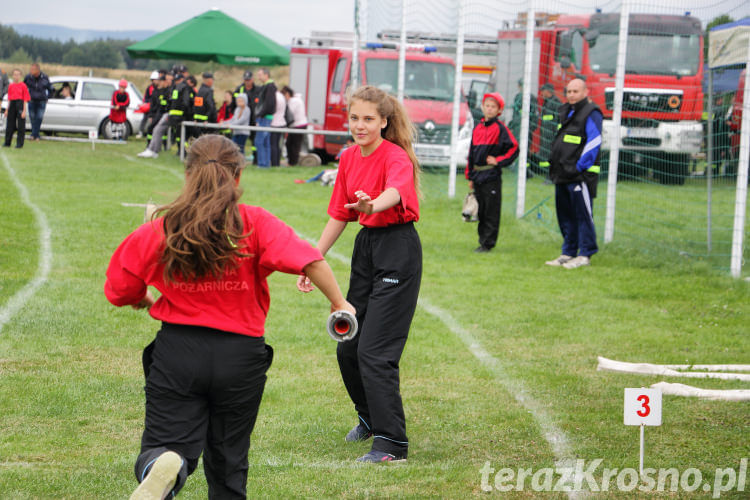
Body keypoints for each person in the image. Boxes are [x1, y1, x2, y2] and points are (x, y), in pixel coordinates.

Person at [104, 134, 354, 499]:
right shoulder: (254, 222)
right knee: (229, 459)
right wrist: (338, 303)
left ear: (188, 175)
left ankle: (164, 461)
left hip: (179, 352)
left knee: (164, 445)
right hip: (241, 358)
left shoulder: (164, 227)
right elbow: (311, 260)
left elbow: (118, 286)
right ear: (237, 178)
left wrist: (141, 297)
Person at [297, 85, 422, 463]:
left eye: (369, 119)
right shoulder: (349, 157)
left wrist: (374, 202)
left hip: (398, 248)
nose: (360, 125)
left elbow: (397, 192)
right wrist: (311, 259)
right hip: (367, 250)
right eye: (355, 118)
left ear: (384, 121)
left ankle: (392, 445)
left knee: (375, 351)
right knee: (349, 343)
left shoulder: (395, 156)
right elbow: (339, 213)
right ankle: (370, 418)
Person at [545, 78, 602, 269]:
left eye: (575, 91)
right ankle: (568, 252)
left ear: (585, 92)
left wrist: (579, 167)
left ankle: (585, 254)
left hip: (579, 175)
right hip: (561, 174)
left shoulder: (591, 113)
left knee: (583, 215)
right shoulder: (565, 111)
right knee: (565, 216)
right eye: (569, 91)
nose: (571, 95)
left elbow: (594, 142)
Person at [465, 92, 519, 253]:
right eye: (487, 105)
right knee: (480, 209)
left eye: (493, 107)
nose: (489, 109)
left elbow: (514, 147)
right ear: (482, 107)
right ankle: (482, 241)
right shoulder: (478, 128)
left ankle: (488, 243)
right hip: (478, 175)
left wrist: (499, 160)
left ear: (499, 110)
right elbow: (472, 153)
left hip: (491, 176)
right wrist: (470, 175)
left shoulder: (500, 128)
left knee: (491, 210)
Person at [253, 68, 277, 167]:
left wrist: (260, 114)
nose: (258, 77)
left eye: (260, 74)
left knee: (259, 141)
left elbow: (269, 104)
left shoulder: (269, 86)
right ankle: (265, 164)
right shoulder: (268, 86)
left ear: (266, 75)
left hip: (264, 118)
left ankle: (262, 164)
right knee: (265, 142)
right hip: (266, 117)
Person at [23, 63, 53, 141]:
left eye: (32, 70)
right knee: (32, 118)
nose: (31, 71)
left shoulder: (45, 77)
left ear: (37, 70)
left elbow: (51, 88)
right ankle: (36, 135)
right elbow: (24, 87)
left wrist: (47, 97)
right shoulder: (28, 77)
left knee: (39, 117)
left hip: (41, 101)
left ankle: (34, 135)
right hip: (31, 100)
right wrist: (25, 96)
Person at [536, 82, 561, 176]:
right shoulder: (547, 102)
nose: (541, 93)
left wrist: (556, 132)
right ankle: (546, 173)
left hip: (551, 134)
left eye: (542, 91)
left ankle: (550, 175)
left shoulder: (555, 102)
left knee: (551, 155)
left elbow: (559, 118)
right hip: (546, 134)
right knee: (545, 155)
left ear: (547, 91)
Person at [281, 86, 308, 166]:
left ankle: (293, 162)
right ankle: (291, 161)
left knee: (295, 145)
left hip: (299, 125)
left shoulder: (294, 101)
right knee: (289, 144)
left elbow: (289, 113)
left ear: (287, 94)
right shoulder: (295, 100)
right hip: (296, 125)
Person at [3, 69, 30, 149]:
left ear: (20, 76)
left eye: (18, 74)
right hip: (12, 104)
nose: (16, 76)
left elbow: (25, 99)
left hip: (20, 103)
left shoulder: (23, 86)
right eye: (14, 74)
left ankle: (19, 144)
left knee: (21, 125)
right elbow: (9, 99)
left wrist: (24, 111)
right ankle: (7, 142)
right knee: (10, 124)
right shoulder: (11, 86)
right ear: (12, 76)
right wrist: (7, 110)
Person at [192, 72, 217, 137]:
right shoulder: (209, 91)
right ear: (209, 80)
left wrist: (196, 119)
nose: (212, 82)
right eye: (212, 80)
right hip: (208, 124)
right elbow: (211, 106)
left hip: (199, 122)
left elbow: (196, 106)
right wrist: (207, 119)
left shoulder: (200, 90)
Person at [269, 88, 287, 166]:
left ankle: (274, 163)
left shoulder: (274, 96)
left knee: (273, 145)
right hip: (281, 123)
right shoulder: (281, 96)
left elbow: (272, 109)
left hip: (274, 123)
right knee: (277, 145)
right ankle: (277, 163)